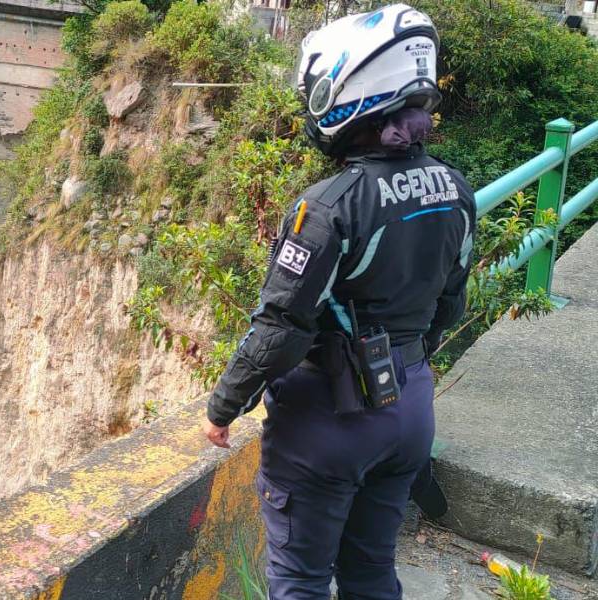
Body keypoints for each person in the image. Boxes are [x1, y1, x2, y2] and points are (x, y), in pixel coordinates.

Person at [201, 5, 476, 599]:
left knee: (299, 579)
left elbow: (283, 324)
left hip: (330, 417)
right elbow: (451, 302)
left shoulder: (328, 206)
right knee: (372, 571)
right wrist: (406, 357)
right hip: (410, 407)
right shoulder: (454, 189)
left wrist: (224, 406)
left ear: (351, 92)